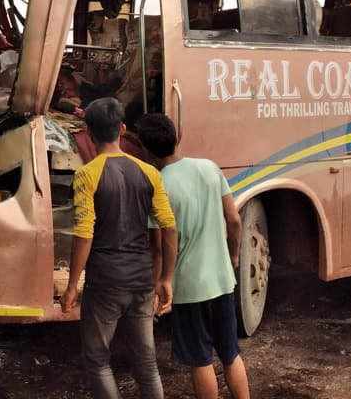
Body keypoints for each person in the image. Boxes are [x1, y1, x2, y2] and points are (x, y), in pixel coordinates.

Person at [60, 98, 178, 399]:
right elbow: (169, 226)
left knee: (98, 359)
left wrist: (72, 285)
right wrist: (165, 277)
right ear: (123, 130)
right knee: (147, 362)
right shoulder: (149, 172)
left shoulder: (87, 174)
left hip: (106, 282)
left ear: (88, 133)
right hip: (141, 280)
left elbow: (84, 235)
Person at [137, 113, 250, 399]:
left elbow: (159, 248)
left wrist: (158, 286)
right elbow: (234, 221)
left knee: (201, 360)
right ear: (177, 138)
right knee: (230, 353)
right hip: (222, 280)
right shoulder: (210, 168)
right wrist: (233, 257)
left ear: (148, 152)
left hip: (188, 288)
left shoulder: (158, 185)